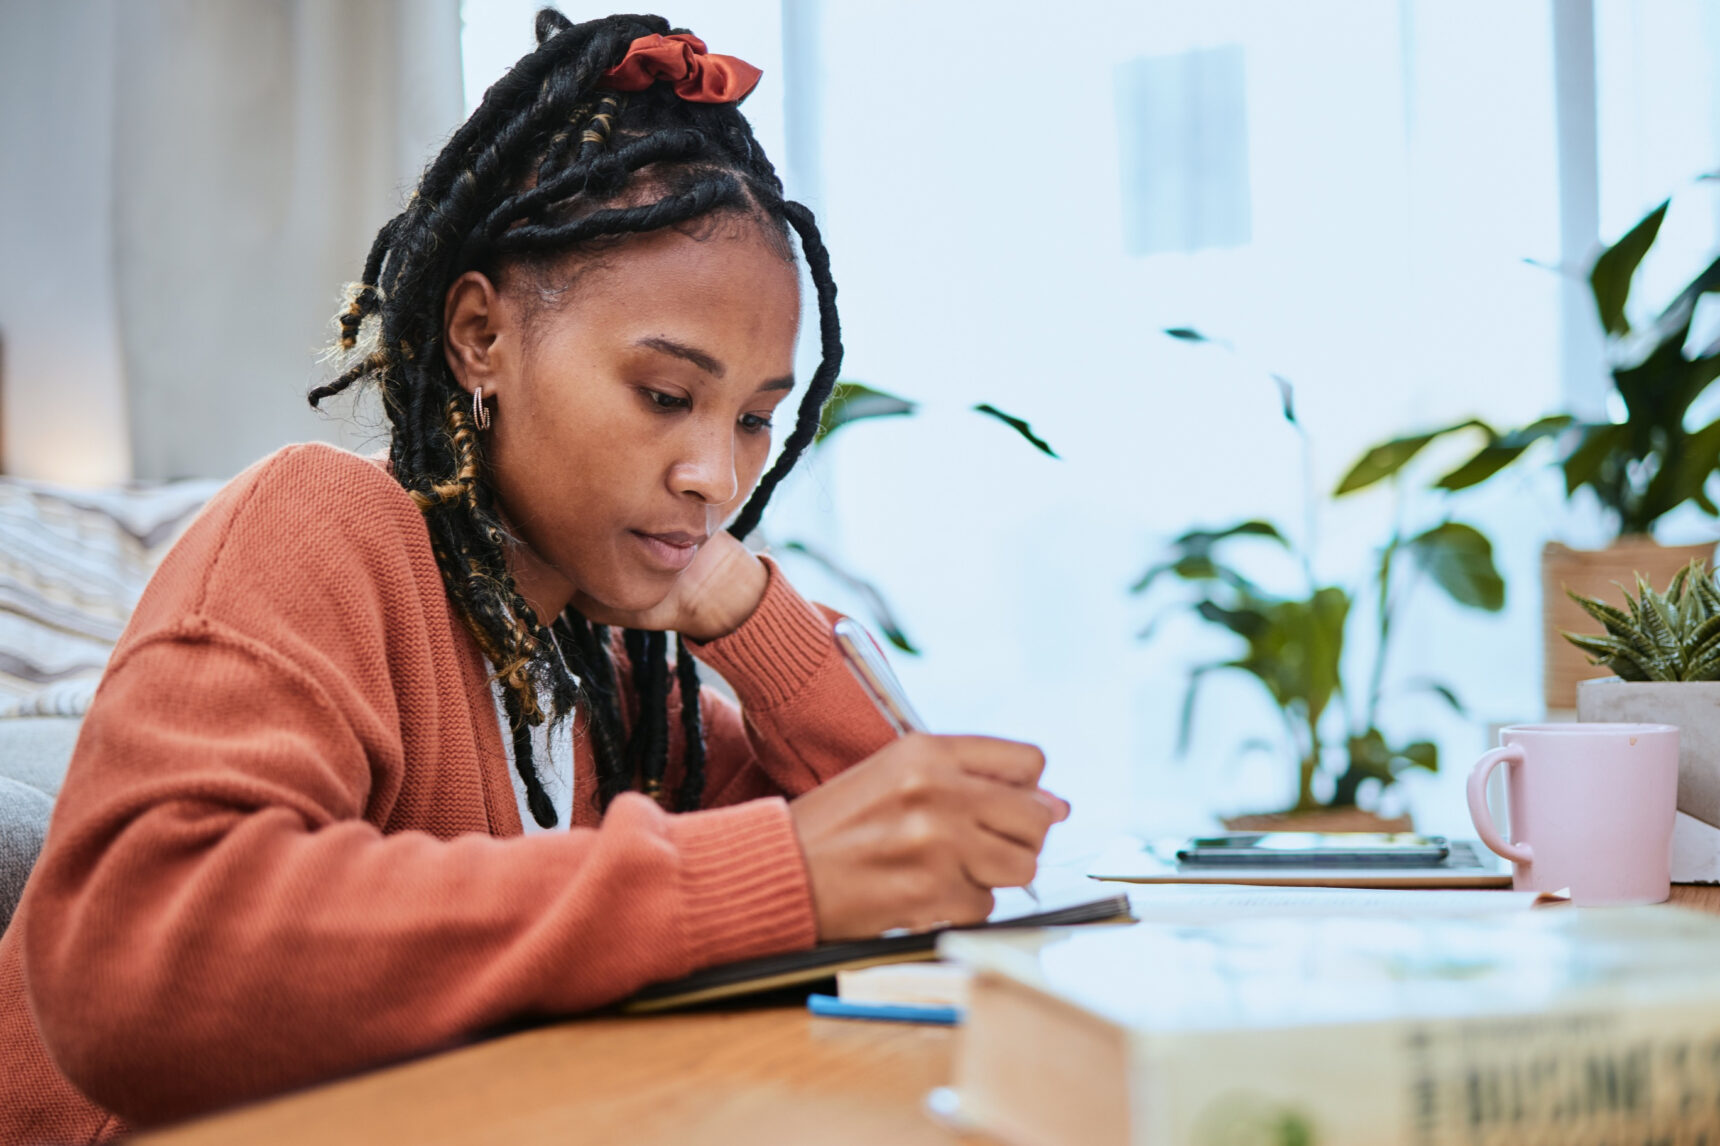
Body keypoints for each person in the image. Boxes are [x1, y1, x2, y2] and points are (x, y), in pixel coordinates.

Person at [0, 11, 1068, 1142]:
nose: (716, 475)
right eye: (665, 395)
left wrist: (751, 613)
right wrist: (753, 879)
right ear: (479, 336)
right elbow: (135, 965)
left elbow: (909, 865)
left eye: (756, 417)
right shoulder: (326, 524)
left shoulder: (603, 671)